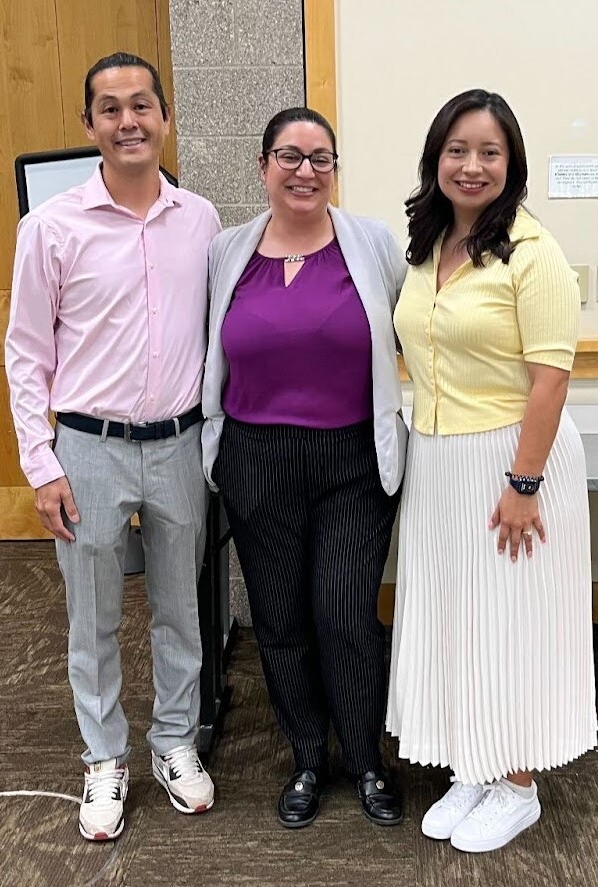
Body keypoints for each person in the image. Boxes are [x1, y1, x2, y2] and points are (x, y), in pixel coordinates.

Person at [5, 52, 221, 842]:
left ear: (164, 117)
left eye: (141, 105)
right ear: (88, 124)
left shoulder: (199, 219)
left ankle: (173, 741)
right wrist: (41, 463)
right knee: (91, 616)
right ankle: (103, 755)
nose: (127, 120)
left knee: (180, 610)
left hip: (178, 444)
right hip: (87, 450)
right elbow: (26, 352)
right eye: (109, 108)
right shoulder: (51, 226)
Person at [386, 89, 598, 853]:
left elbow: (551, 379)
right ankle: (472, 762)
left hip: (511, 459)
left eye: (488, 152)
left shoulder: (532, 253)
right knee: (458, 613)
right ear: (435, 159)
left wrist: (523, 483)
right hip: (438, 455)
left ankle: (516, 784)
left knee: (511, 619)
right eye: (456, 150)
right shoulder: (427, 243)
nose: (470, 165)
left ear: (510, 165)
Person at [202, 107, 408, 828]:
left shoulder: (373, 244)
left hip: (349, 459)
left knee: (345, 612)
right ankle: (305, 758)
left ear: (334, 171)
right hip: (255, 458)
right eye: (289, 156)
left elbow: (424, 331)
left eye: (321, 158)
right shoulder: (224, 252)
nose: (305, 171)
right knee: (280, 618)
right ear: (261, 167)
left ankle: (365, 759)